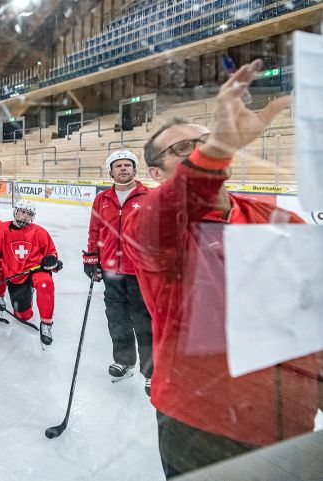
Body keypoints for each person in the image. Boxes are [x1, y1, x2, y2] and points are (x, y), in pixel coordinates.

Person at [122, 60, 320, 478]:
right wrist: (215, 150)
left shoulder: (275, 218)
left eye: (203, 141)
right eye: (183, 149)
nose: (196, 150)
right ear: (155, 174)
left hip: (293, 420)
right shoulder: (152, 225)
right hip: (201, 424)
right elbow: (168, 212)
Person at [85, 150, 153, 394]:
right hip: (111, 270)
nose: (123, 169)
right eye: (118, 166)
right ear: (110, 171)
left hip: (140, 271)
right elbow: (95, 230)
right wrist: (92, 257)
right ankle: (124, 361)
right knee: (117, 318)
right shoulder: (102, 199)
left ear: (135, 170)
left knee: (144, 321)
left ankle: (151, 372)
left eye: (128, 165)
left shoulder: (150, 197)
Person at [0, 200, 62, 346]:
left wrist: (53, 261)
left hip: (36, 269)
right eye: (22, 212)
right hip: (15, 274)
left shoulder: (40, 232)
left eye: (29, 214)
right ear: (15, 212)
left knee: (45, 284)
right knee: (23, 315)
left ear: (32, 217)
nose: (25, 216)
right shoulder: (1, 230)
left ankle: (46, 323)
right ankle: (27, 293)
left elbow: (52, 254)